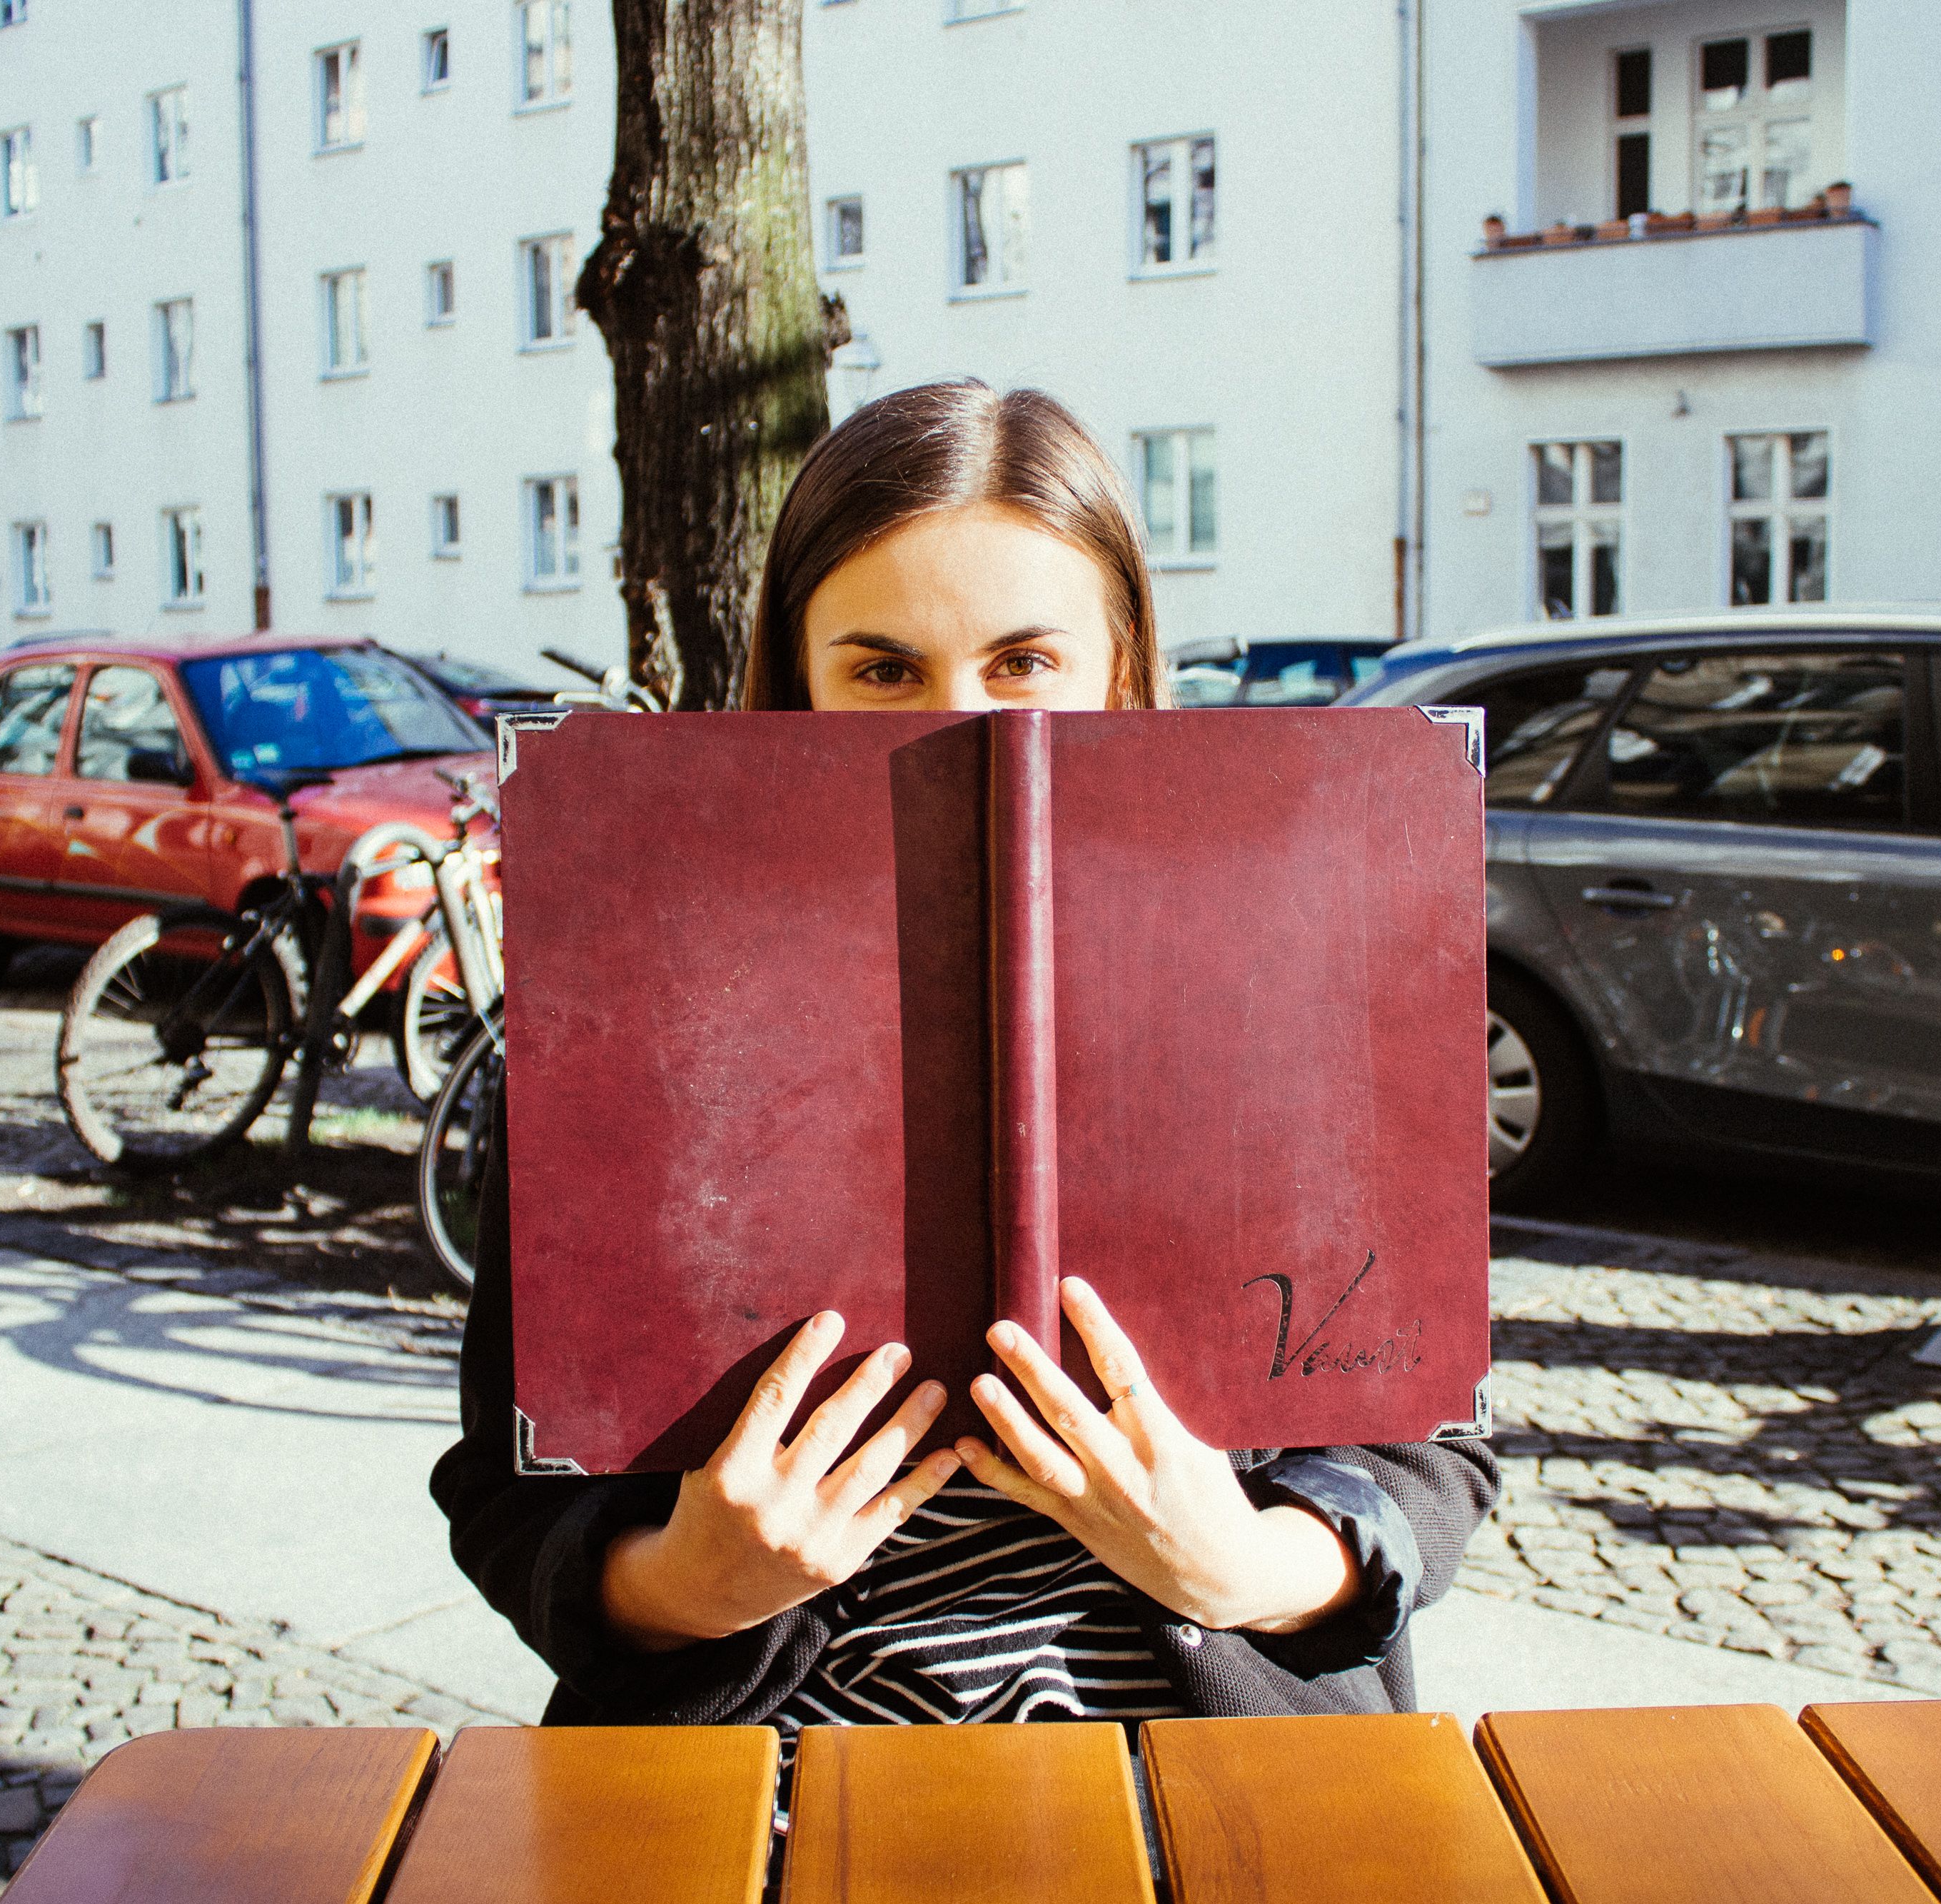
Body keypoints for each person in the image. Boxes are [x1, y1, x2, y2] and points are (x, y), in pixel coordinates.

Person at [430, 379, 1498, 1742]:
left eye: (1024, 662)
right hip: (762, 1775)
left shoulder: (1315, 969)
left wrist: (1243, 1565)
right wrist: (683, 1585)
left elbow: (1435, 1449)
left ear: (1122, 669)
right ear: (797, 682)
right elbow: (512, 1489)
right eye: (881, 669)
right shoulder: (630, 1000)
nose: (955, 722)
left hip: (1220, 1782)